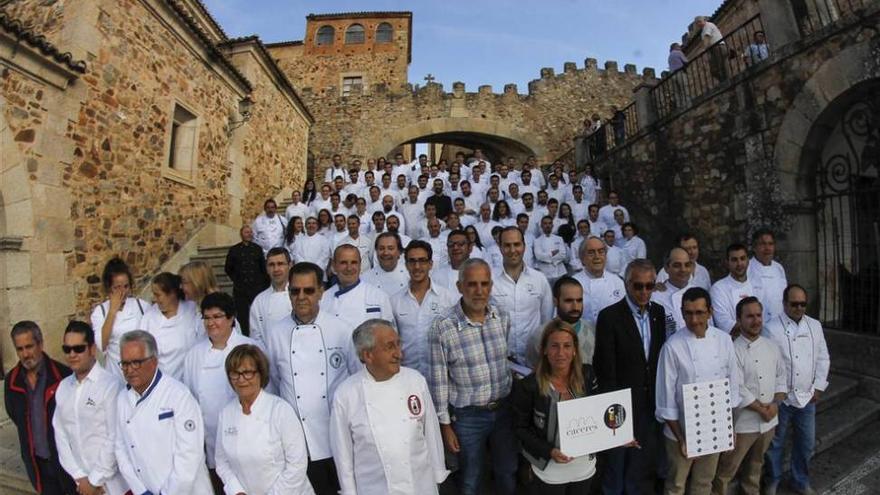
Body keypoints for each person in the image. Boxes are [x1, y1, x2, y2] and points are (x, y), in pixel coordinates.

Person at [263, 262, 361, 494]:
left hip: (338, 435)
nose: (301, 297)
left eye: (308, 290)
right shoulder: (275, 333)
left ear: (320, 292)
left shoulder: (341, 329)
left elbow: (357, 380)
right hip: (299, 441)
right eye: (295, 291)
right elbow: (274, 384)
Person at [427, 258, 517, 495]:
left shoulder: (501, 316)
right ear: (460, 287)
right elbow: (439, 381)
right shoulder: (443, 326)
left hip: (504, 410)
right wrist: (445, 426)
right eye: (472, 284)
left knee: (507, 470)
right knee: (470, 477)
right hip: (468, 417)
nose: (479, 291)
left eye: (485, 284)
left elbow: (506, 358)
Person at [330, 319, 449, 494]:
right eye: (389, 347)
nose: (399, 354)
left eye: (398, 344)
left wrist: (438, 474)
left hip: (420, 485)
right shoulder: (346, 394)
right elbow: (343, 456)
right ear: (367, 355)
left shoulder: (415, 380)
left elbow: (431, 433)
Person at [656, 287, 741, 495]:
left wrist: (729, 429)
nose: (694, 320)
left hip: (713, 428)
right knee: (676, 485)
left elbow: (732, 388)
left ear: (710, 312)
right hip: (680, 431)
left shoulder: (724, 340)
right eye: (689, 313)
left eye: (699, 313)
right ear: (682, 313)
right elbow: (666, 401)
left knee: (704, 483)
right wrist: (683, 439)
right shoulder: (672, 347)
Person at [594, 259, 668, 495]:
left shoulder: (658, 312)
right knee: (616, 461)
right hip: (619, 403)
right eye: (638, 286)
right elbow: (606, 367)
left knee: (640, 461)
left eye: (650, 286)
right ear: (627, 285)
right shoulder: (609, 317)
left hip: (649, 402)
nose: (644, 292)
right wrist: (613, 409)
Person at [114, 330, 213, 494]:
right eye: (125, 364)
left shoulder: (179, 396)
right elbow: (121, 448)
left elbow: (189, 454)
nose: (129, 370)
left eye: (136, 362)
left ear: (153, 362)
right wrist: (140, 490)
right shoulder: (122, 399)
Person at [183, 292, 260, 490]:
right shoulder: (194, 355)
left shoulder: (250, 348)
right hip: (211, 443)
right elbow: (191, 399)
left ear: (231, 318)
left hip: (250, 440)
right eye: (207, 318)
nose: (211, 323)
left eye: (217, 316)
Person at [513, 320, 599, 494]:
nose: (561, 353)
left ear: (575, 350)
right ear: (544, 349)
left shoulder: (588, 375)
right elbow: (520, 428)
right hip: (549, 470)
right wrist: (549, 451)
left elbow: (600, 414)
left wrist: (620, 435)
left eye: (567, 346)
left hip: (584, 467)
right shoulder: (530, 386)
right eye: (554, 346)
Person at [215, 345, 315, 495]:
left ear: (261, 374)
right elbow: (222, 462)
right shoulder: (226, 414)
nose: (241, 379)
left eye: (247, 373)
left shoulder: (280, 410)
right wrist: (237, 491)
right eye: (235, 373)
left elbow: (297, 465)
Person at [711, 297, 786, 495]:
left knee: (756, 466)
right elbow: (738, 386)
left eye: (758, 315)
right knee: (727, 469)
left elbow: (781, 377)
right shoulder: (732, 350)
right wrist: (763, 409)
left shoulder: (772, 346)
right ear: (739, 319)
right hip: (744, 422)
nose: (755, 320)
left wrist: (776, 405)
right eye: (749, 316)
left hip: (769, 420)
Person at [763, 285, 830, 495]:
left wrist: (818, 386)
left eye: (802, 304)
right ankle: (772, 480)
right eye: (794, 304)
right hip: (781, 398)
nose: (799, 308)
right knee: (775, 443)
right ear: (784, 304)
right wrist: (775, 393)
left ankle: (800, 480)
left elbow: (823, 357)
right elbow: (768, 363)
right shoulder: (771, 328)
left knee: (807, 442)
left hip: (807, 396)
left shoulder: (815, 326)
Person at [53, 321, 127, 495]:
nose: (72, 354)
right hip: (82, 485)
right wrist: (79, 476)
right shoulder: (63, 387)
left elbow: (115, 436)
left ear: (92, 349)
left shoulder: (110, 386)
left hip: (113, 485)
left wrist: (95, 480)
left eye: (78, 349)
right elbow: (61, 434)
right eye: (67, 349)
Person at [5, 321, 76, 494]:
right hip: (39, 468)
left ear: (41, 344)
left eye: (29, 346)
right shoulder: (12, 382)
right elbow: (15, 415)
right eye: (20, 349)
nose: (25, 354)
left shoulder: (64, 376)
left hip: (69, 465)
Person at [391, 241, 457, 377]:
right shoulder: (395, 301)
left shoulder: (448, 299)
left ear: (430, 264)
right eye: (412, 261)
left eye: (422, 261)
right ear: (406, 264)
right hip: (407, 376)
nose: (417, 266)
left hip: (442, 376)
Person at [491, 227, 554, 366]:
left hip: (534, 361)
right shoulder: (490, 280)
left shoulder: (539, 279)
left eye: (517, 244)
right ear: (500, 247)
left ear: (524, 246)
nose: (512, 250)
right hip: (500, 362)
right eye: (507, 245)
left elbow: (546, 321)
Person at [91, 257, 149, 378]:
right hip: (115, 373)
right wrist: (112, 311)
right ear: (109, 288)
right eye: (117, 287)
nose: (122, 292)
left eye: (126, 286)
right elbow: (102, 345)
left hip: (140, 371)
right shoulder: (100, 312)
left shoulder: (141, 306)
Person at [140, 272, 200, 380]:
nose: (155, 299)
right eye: (154, 294)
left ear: (172, 293)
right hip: (161, 381)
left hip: (189, 378)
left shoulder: (191, 309)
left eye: (158, 295)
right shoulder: (149, 317)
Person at [321, 244, 394, 331]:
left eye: (354, 262)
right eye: (343, 263)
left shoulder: (379, 297)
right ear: (334, 265)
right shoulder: (323, 299)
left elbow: (390, 335)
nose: (349, 268)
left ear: (360, 265)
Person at [224, 226, 270, 336]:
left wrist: (264, 283)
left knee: (259, 314)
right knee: (242, 315)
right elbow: (228, 268)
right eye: (246, 232)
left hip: (257, 287)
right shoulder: (234, 250)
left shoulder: (257, 249)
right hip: (241, 288)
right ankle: (244, 336)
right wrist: (236, 279)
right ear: (241, 234)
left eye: (250, 232)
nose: (249, 234)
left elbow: (263, 268)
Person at [573, 236, 626, 325]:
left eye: (601, 252)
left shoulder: (617, 282)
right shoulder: (573, 283)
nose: (597, 256)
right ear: (582, 258)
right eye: (591, 253)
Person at [710, 243, 762, 334]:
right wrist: (754, 326)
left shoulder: (758, 284)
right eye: (734, 260)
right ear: (727, 262)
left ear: (748, 261)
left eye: (742, 258)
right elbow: (723, 323)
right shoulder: (718, 289)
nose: (739, 264)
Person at [248, 247, 293, 344]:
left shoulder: (299, 295)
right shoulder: (259, 301)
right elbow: (256, 337)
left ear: (290, 265)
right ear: (267, 269)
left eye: (280, 264)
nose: (276, 269)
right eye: (271, 265)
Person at [652, 247, 696, 335]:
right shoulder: (655, 297)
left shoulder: (698, 294)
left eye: (687, 265)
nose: (683, 269)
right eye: (677, 265)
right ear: (666, 268)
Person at [748, 228, 788, 324]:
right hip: (757, 325)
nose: (767, 248)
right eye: (762, 244)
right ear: (754, 247)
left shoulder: (779, 268)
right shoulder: (747, 268)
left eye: (770, 244)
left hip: (779, 324)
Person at [534, 216, 569, 285]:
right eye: (545, 223)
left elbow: (563, 254)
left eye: (549, 223)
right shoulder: (537, 241)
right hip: (545, 272)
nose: (548, 225)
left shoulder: (559, 239)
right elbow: (539, 256)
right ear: (541, 225)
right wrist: (552, 253)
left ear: (552, 225)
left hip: (559, 271)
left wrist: (548, 257)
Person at [695, 16, 728, 82]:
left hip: (718, 47)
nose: (699, 24)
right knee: (714, 70)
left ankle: (726, 81)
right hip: (713, 49)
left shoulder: (708, 25)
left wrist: (704, 49)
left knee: (721, 66)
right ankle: (723, 81)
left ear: (704, 20)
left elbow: (707, 37)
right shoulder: (703, 31)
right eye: (697, 23)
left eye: (700, 21)